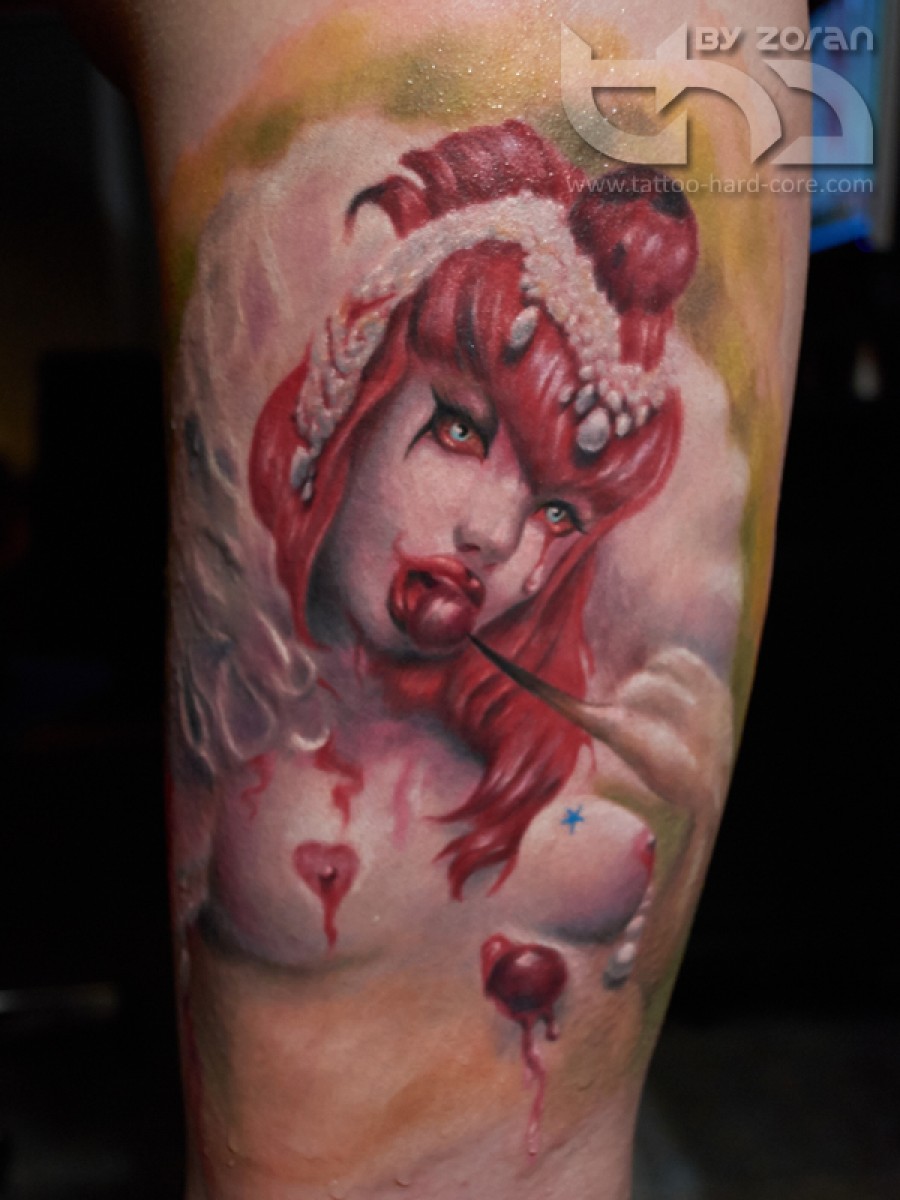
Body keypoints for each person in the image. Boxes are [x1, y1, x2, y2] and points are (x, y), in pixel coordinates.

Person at [52, 1, 811, 1196]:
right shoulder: (269, 730)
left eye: (557, 512)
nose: (494, 536)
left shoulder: (561, 784)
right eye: (458, 429)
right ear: (352, 396)